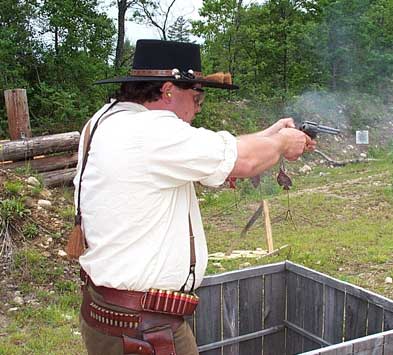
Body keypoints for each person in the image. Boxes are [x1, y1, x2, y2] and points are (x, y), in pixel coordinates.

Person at [70, 39, 315, 355]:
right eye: (197, 98)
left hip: (118, 317)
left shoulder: (110, 118)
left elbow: (213, 149)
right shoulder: (153, 131)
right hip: (144, 329)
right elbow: (244, 161)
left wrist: (269, 135)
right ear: (169, 91)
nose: (199, 108)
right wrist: (282, 143)